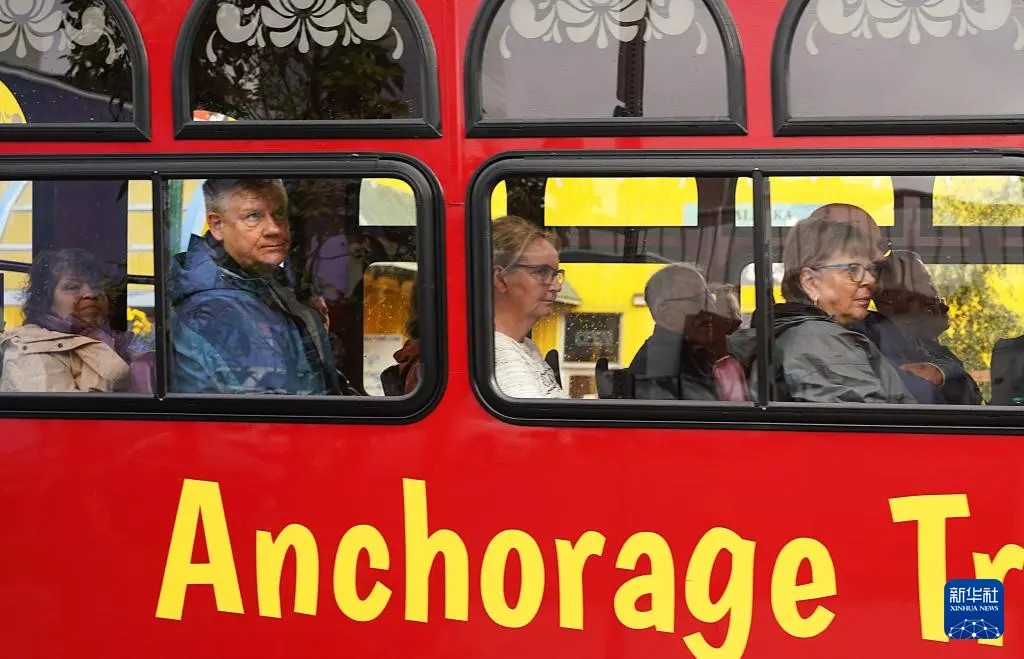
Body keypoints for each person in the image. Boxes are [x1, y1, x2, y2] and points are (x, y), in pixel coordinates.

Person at [170, 178, 341, 395]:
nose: (274, 229)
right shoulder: (216, 310)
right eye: (253, 216)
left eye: (279, 214)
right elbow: (271, 407)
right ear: (217, 225)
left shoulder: (261, 282)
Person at [728, 215, 915, 403]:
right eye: (853, 269)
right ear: (810, 282)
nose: (870, 280)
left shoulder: (807, 335)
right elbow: (867, 419)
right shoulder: (819, 342)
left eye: (870, 269)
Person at [0, 248, 148, 393]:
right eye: (72, 287)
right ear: (45, 301)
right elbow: (60, 408)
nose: (90, 294)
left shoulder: (118, 345)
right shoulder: (28, 348)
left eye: (96, 286)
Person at [856, 251, 981, 405]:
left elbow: (972, 395)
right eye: (922, 281)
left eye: (931, 281)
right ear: (887, 296)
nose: (935, 294)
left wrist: (939, 373)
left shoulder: (929, 347)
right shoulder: (870, 337)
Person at [492, 215, 565, 398]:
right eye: (541, 272)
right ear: (500, 279)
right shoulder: (500, 356)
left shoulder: (525, 346)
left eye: (555, 274)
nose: (556, 286)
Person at [629, 264, 718, 400]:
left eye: (709, 298)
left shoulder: (694, 352)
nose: (711, 309)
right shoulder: (663, 365)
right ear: (667, 314)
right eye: (699, 300)